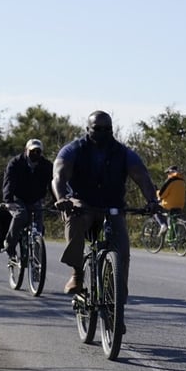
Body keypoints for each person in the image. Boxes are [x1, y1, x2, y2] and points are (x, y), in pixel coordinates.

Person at [52, 111, 160, 296]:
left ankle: (117, 303)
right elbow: (58, 176)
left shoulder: (123, 152)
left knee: (122, 251)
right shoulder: (74, 150)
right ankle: (77, 273)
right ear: (88, 129)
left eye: (108, 129)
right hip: (82, 203)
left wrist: (152, 201)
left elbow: (142, 177)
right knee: (75, 217)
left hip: (113, 206)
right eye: (98, 128)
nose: (103, 132)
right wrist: (62, 197)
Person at [1, 139, 53, 259]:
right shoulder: (15, 163)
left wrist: (57, 201)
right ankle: (10, 244)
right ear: (26, 151)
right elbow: (8, 182)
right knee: (21, 215)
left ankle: (36, 259)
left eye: (38, 151)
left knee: (38, 227)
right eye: (32, 151)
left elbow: (52, 184)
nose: (35, 154)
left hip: (36, 199)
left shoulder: (46, 166)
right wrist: (8, 201)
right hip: (18, 198)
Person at [154, 165, 186, 235]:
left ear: (171, 172)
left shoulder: (171, 180)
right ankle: (173, 239)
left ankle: (163, 225)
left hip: (169, 204)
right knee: (173, 221)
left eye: (168, 173)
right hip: (180, 205)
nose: (167, 175)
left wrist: (156, 191)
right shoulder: (182, 181)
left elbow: (161, 194)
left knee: (155, 209)